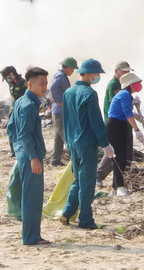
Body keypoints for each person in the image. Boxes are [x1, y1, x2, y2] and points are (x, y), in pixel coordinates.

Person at [59, 59, 115, 228]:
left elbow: (66, 119)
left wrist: (67, 141)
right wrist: (105, 144)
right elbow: (96, 121)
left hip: (72, 143)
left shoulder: (68, 92)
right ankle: (85, 219)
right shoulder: (89, 94)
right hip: (86, 143)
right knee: (88, 182)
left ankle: (67, 212)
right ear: (89, 74)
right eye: (96, 73)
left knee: (78, 179)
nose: (98, 76)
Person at [7, 66, 51, 246]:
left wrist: (17, 149)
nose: (44, 87)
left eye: (46, 83)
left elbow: (11, 128)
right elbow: (25, 134)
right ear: (30, 84)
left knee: (28, 195)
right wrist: (32, 157)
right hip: (30, 157)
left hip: (23, 154)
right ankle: (31, 237)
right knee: (32, 197)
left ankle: (31, 235)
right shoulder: (28, 106)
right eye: (41, 84)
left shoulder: (20, 102)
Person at [102, 71, 144, 196]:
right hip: (115, 126)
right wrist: (137, 130)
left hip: (119, 125)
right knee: (119, 157)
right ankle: (120, 187)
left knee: (121, 157)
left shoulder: (127, 95)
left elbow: (127, 111)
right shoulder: (125, 94)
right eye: (136, 83)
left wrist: (136, 113)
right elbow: (127, 114)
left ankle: (115, 188)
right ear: (130, 84)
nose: (138, 85)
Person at [48, 57, 78, 167]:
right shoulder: (60, 76)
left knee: (59, 138)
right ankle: (76, 160)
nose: (73, 71)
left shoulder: (61, 75)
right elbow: (53, 88)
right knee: (67, 137)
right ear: (68, 67)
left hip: (58, 111)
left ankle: (55, 160)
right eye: (72, 69)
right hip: (60, 112)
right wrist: (58, 101)